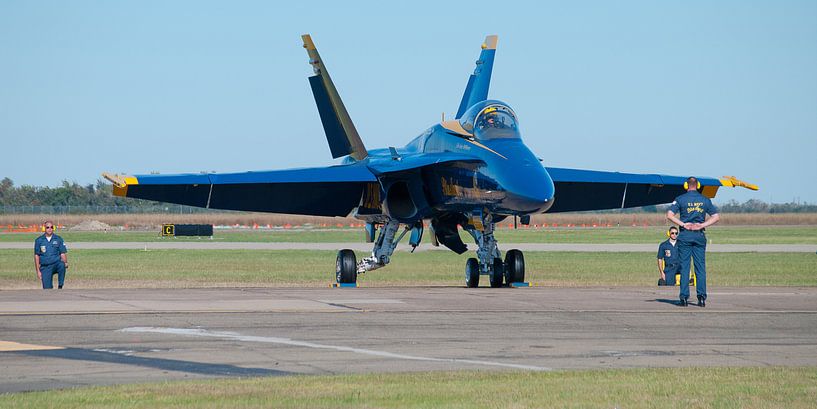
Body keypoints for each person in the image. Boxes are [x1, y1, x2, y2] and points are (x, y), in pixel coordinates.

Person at [667, 177, 720, 307]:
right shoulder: (705, 200)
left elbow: (669, 215)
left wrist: (683, 224)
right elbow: (716, 216)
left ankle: (684, 298)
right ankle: (701, 298)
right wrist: (701, 225)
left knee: (685, 267)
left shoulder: (680, 199)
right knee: (700, 268)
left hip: (685, 236)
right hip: (699, 236)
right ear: (698, 185)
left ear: (686, 185)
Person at [34, 221, 68, 289]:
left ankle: (60, 285)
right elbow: (36, 256)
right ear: (44, 228)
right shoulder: (39, 240)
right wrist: (38, 271)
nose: (50, 229)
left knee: (62, 264)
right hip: (45, 266)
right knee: (47, 289)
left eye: (51, 227)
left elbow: (62, 253)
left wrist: (65, 262)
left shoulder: (58, 239)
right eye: (48, 227)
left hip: (56, 264)